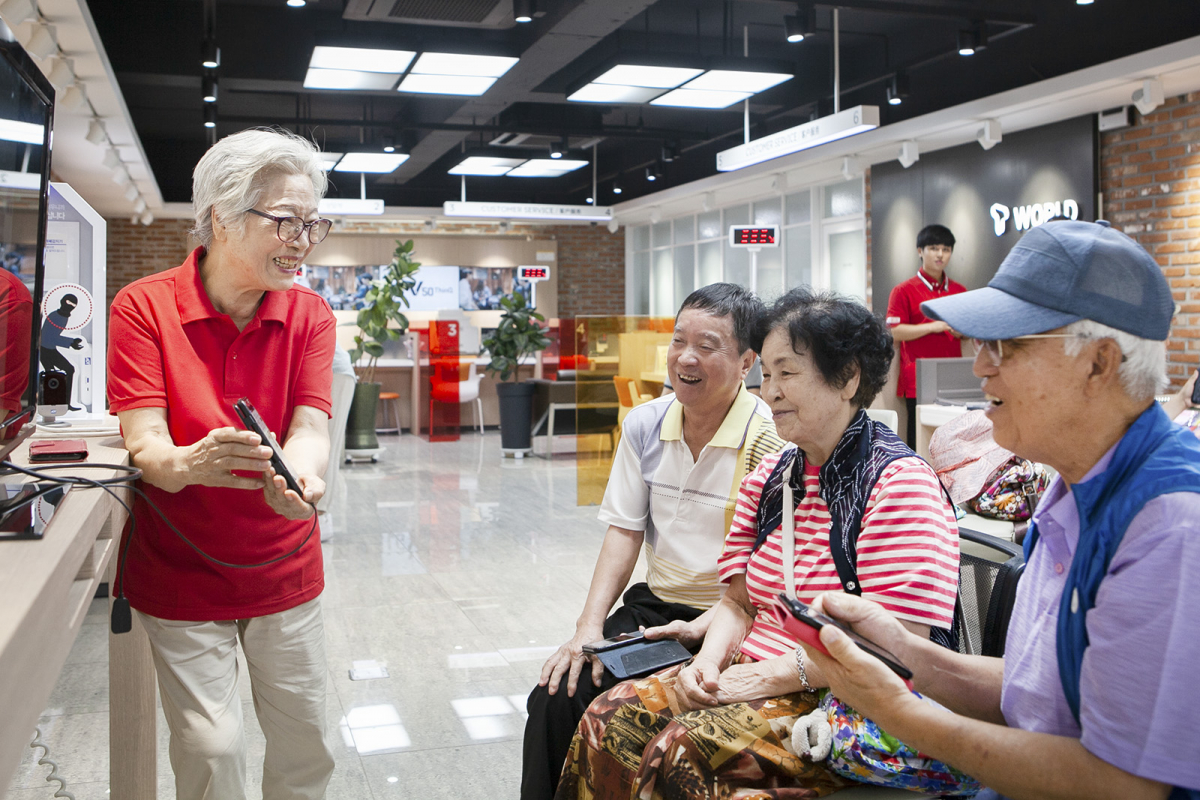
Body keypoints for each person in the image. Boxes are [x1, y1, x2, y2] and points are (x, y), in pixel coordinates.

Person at [804, 220, 1200, 799]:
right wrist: (902, 648)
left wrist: (902, 713)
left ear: (1098, 363)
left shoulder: (1170, 525)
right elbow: (1035, 692)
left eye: (1007, 345)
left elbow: (1123, 784)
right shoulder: (1076, 485)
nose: (981, 365)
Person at [554, 288, 961, 800]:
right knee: (608, 717)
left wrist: (760, 679)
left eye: (787, 374)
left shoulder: (898, 484)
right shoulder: (774, 477)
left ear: (848, 378)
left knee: (683, 751)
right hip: (750, 669)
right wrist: (709, 660)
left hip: (844, 698)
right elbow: (738, 601)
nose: (769, 393)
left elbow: (894, 642)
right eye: (766, 376)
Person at [107, 128, 338, 800]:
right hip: (181, 570)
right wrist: (185, 463)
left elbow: (310, 423)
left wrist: (302, 478)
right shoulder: (144, 307)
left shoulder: (311, 315)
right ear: (220, 218)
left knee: (308, 745)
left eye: (312, 223)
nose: (302, 239)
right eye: (286, 221)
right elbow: (144, 441)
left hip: (285, 566)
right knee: (214, 751)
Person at [521, 283, 787, 800]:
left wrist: (705, 631)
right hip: (653, 609)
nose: (685, 357)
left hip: (731, 618)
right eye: (678, 340)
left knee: (632, 719)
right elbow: (624, 531)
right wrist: (587, 629)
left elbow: (763, 578)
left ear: (748, 361)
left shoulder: (770, 441)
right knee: (557, 693)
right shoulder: (645, 424)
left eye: (707, 345)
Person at [886, 224, 967, 446]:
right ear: (920, 251)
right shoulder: (903, 290)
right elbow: (894, 331)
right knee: (919, 441)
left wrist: (960, 329)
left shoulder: (959, 291)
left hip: (954, 375)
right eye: (934, 248)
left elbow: (965, 331)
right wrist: (933, 326)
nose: (940, 254)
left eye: (946, 249)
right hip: (919, 378)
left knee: (956, 439)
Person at [40, 293, 84, 411]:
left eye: (73, 305)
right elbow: (49, 337)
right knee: (52, 375)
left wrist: (71, 342)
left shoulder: (63, 317)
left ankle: (64, 403)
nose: (70, 307)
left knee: (67, 370)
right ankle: (51, 404)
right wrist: (71, 342)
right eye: (69, 303)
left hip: (50, 349)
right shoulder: (55, 316)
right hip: (46, 350)